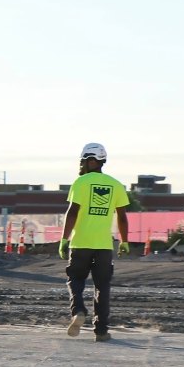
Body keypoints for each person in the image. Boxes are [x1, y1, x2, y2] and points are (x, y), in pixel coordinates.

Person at [58, 142, 130, 342]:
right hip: (104, 246)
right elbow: (122, 217)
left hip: (80, 243)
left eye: (82, 161)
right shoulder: (115, 185)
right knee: (102, 287)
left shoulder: (80, 183)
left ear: (88, 161)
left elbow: (72, 212)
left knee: (75, 279)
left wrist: (64, 239)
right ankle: (101, 330)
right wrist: (124, 241)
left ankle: (78, 310)